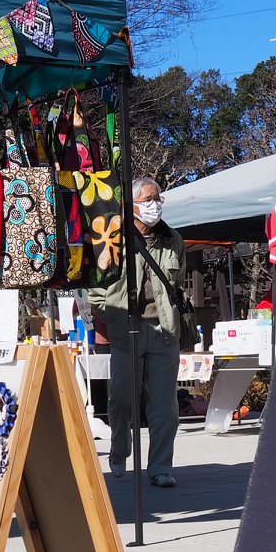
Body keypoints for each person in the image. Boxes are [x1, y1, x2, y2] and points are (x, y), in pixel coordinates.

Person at [90, 175, 186, 487]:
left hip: (163, 329)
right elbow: (95, 289)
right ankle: (119, 451)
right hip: (125, 329)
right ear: (130, 205)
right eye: (148, 200)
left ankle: (160, 467)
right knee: (121, 399)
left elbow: (177, 281)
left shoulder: (173, 239)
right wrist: (111, 316)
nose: (155, 205)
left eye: (158, 198)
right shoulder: (112, 237)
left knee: (164, 406)